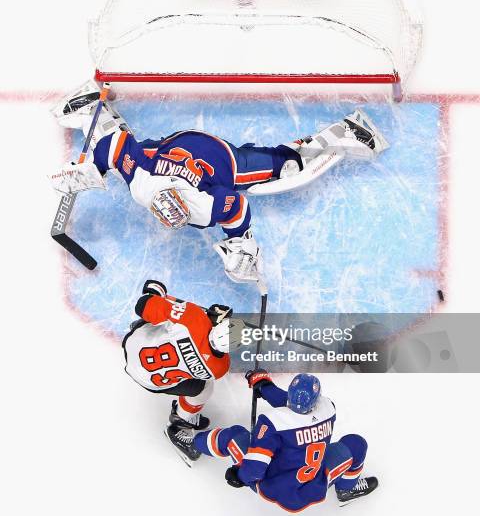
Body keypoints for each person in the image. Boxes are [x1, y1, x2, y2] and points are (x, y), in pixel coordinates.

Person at [50, 80, 388, 285]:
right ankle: (89, 103)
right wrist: (90, 169)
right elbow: (115, 146)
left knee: (286, 167)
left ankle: (348, 131)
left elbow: (237, 205)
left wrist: (241, 246)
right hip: (176, 143)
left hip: (224, 158)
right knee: (133, 145)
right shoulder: (141, 183)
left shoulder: (190, 206)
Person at [167, 370, 378, 510]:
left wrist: (240, 476)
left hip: (274, 487)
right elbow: (295, 408)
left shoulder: (273, 423)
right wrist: (265, 386)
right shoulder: (328, 408)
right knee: (355, 444)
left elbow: (256, 468)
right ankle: (346, 489)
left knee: (235, 436)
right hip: (316, 483)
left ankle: (191, 444)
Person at [123, 279, 243, 446]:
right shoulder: (220, 368)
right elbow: (205, 349)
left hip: (134, 344)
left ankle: (176, 427)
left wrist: (156, 295)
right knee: (205, 388)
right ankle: (180, 420)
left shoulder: (194, 317)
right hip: (151, 381)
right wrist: (212, 321)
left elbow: (141, 306)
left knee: (164, 311)